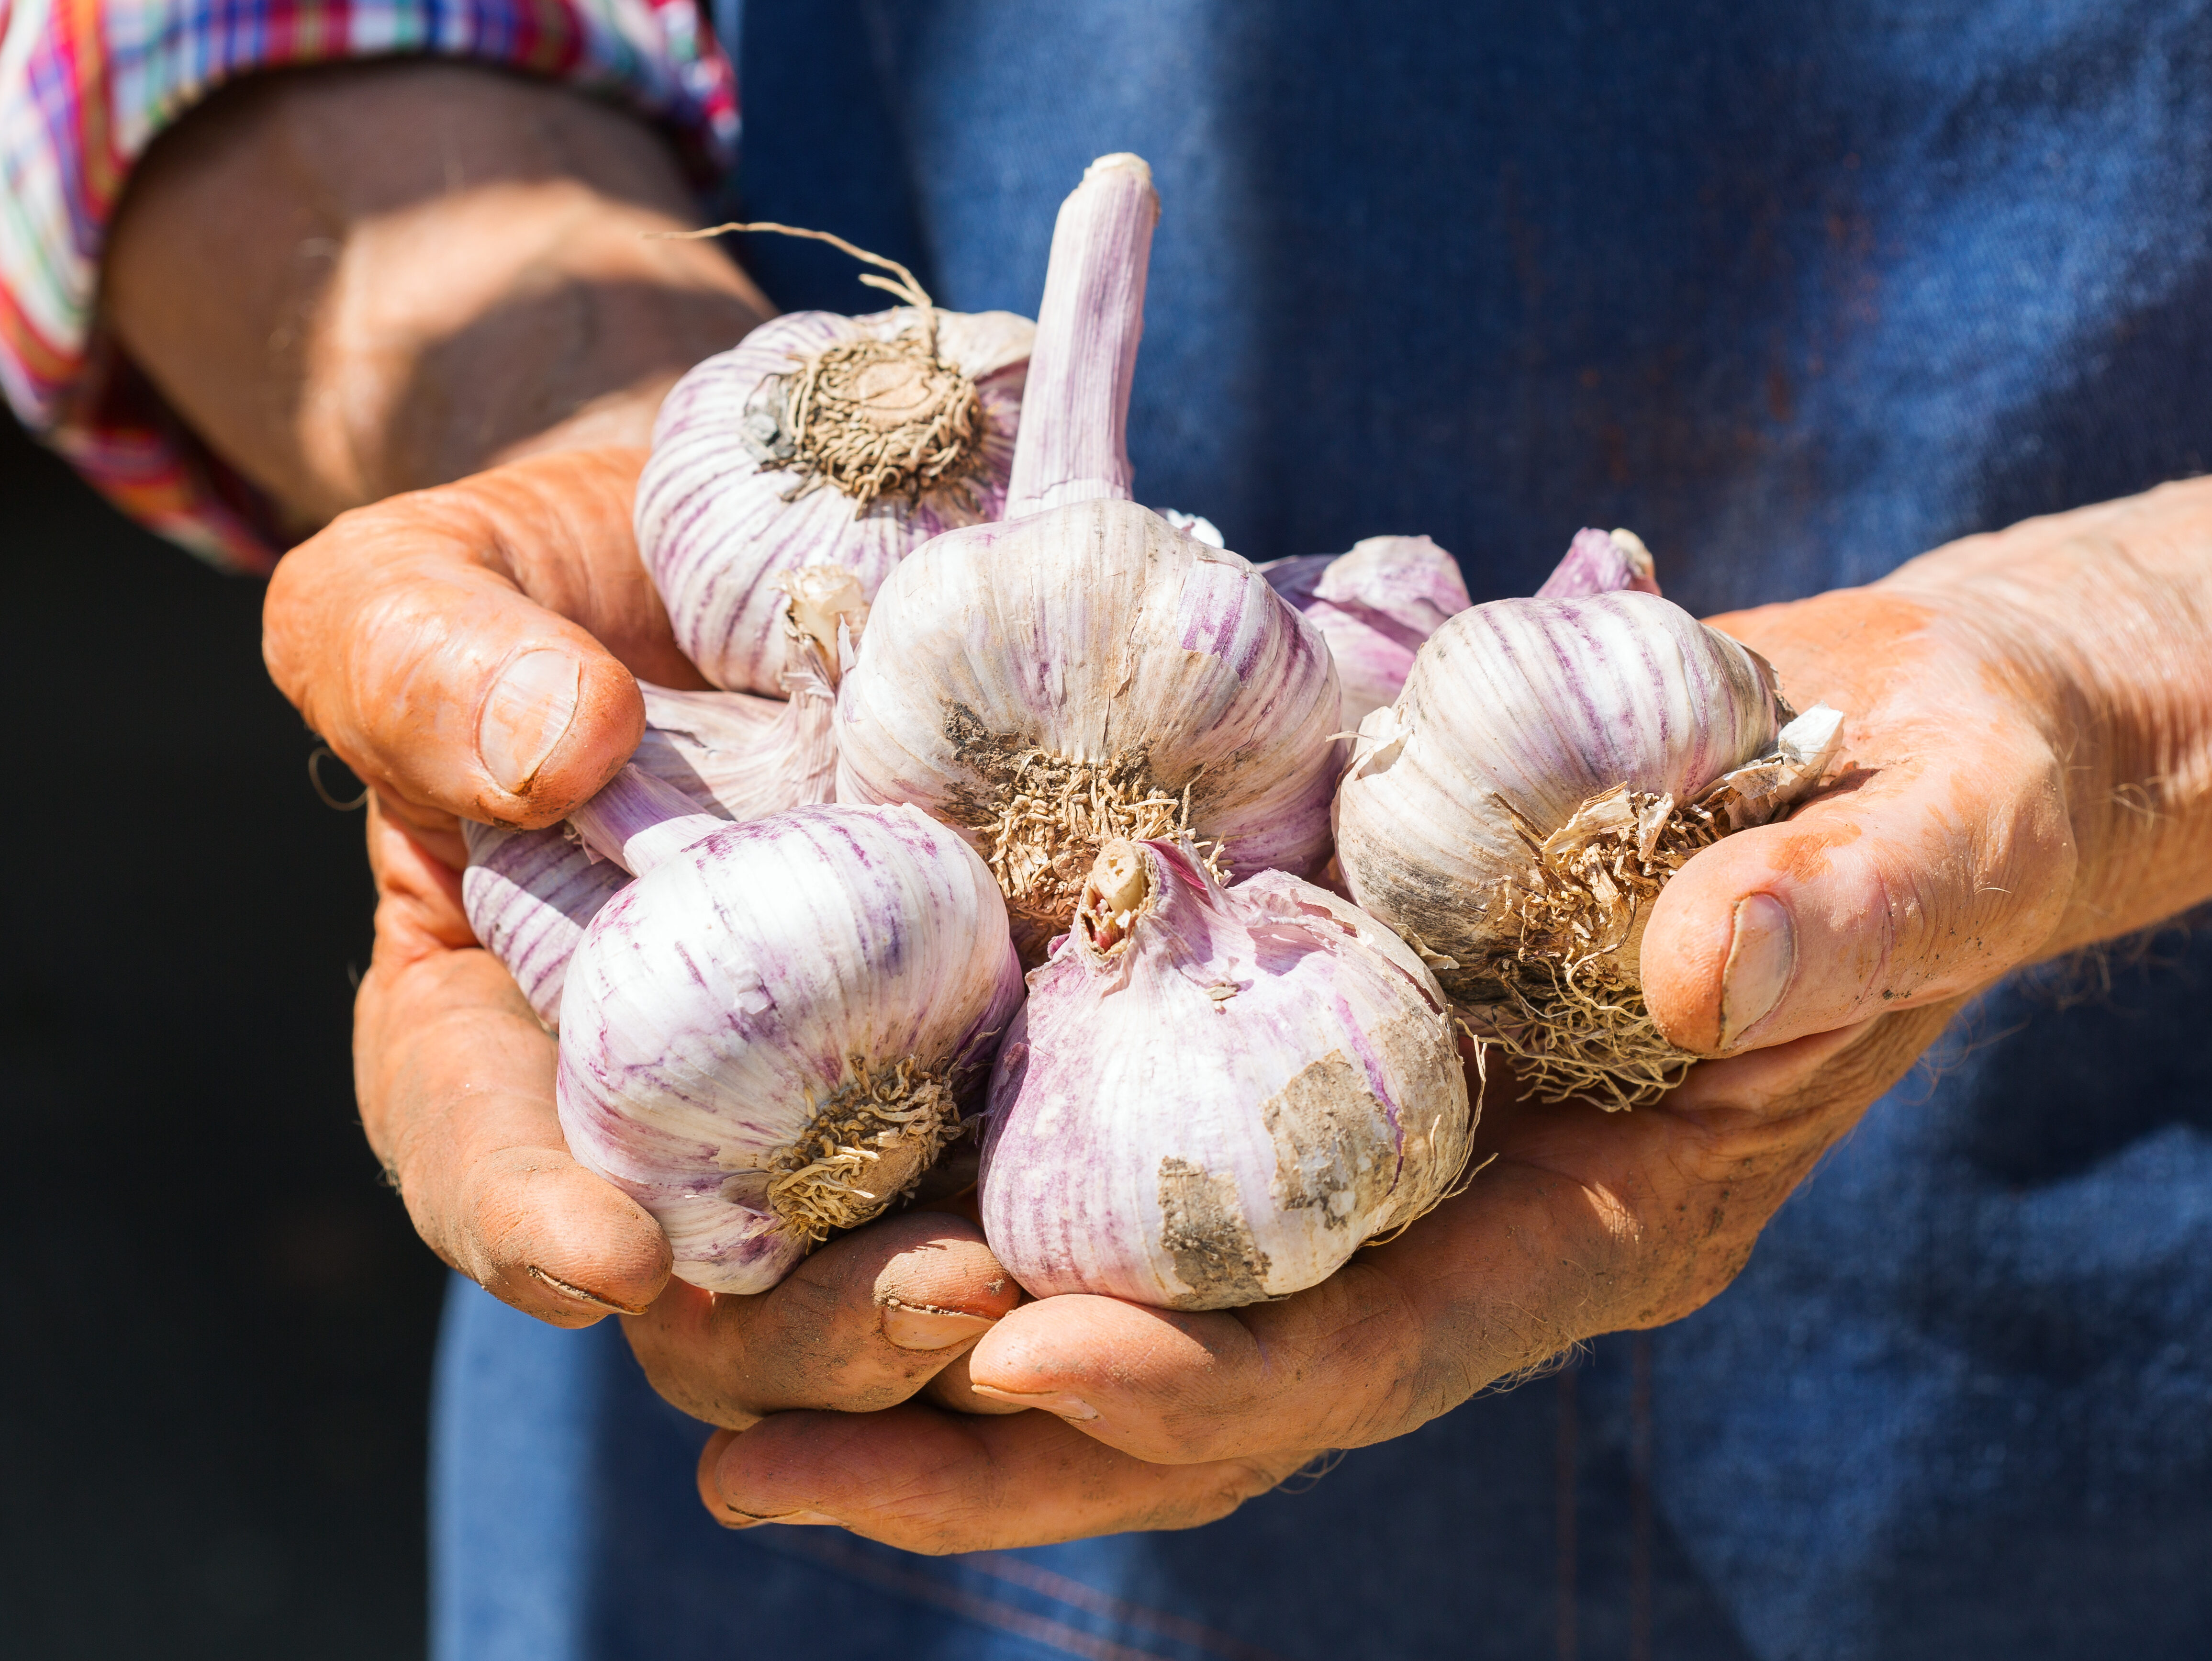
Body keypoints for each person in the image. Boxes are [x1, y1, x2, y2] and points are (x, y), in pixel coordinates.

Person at [7, 3, 2210, 1656]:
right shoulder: (1030, 674)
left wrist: (2118, 681)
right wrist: (576, 417)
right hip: (817, 1430)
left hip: (2051, 1375)